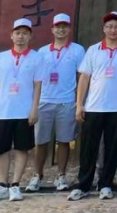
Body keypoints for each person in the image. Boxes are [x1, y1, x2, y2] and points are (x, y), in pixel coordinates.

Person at [69, 13, 117, 201]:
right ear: (104, 29)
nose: (113, 30)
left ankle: (106, 184)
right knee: (88, 148)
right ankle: (83, 185)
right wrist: (79, 104)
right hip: (94, 106)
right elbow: (84, 77)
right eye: (109, 26)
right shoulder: (93, 50)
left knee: (112, 148)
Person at [0, 18, 46, 202]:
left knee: (22, 148)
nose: (21, 36)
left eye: (25, 33)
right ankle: (2, 184)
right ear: (11, 35)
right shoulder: (1, 58)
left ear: (30, 36)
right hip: (3, 110)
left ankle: (15, 184)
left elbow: (38, 86)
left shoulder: (37, 58)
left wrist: (34, 108)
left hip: (24, 110)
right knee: (1, 149)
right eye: (18, 33)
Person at [27, 13, 84, 193]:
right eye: (58, 27)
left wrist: (79, 100)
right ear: (52, 29)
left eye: (64, 26)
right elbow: (36, 78)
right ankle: (37, 175)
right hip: (45, 100)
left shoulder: (77, 50)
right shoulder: (42, 52)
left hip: (67, 101)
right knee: (40, 141)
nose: (61, 30)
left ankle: (61, 175)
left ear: (69, 29)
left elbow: (81, 76)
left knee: (64, 140)